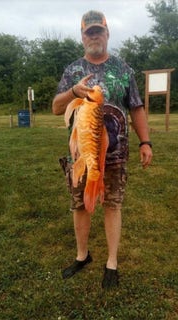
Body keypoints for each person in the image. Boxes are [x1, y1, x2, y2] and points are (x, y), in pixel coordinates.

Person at [52, 10, 153, 289]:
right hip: (82, 155)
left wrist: (145, 142)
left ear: (107, 34)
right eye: (89, 32)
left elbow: (136, 108)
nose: (94, 36)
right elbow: (56, 107)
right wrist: (73, 92)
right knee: (80, 206)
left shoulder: (123, 69)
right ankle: (82, 255)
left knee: (112, 205)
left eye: (99, 31)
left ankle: (112, 262)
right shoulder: (73, 70)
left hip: (116, 154)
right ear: (82, 36)